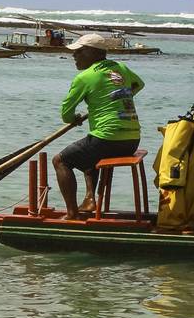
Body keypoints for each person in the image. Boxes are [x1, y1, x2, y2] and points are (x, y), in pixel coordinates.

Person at [53, 33, 145, 220]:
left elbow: (66, 114)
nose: (74, 56)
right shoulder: (121, 68)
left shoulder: (85, 77)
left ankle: (72, 214)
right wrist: (118, 97)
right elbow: (138, 84)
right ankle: (89, 200)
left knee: (60, 161)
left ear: (91, 53)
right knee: (89, 152)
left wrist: (75, 118)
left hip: (107, 139)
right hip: (132, 140)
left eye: (78, 52)